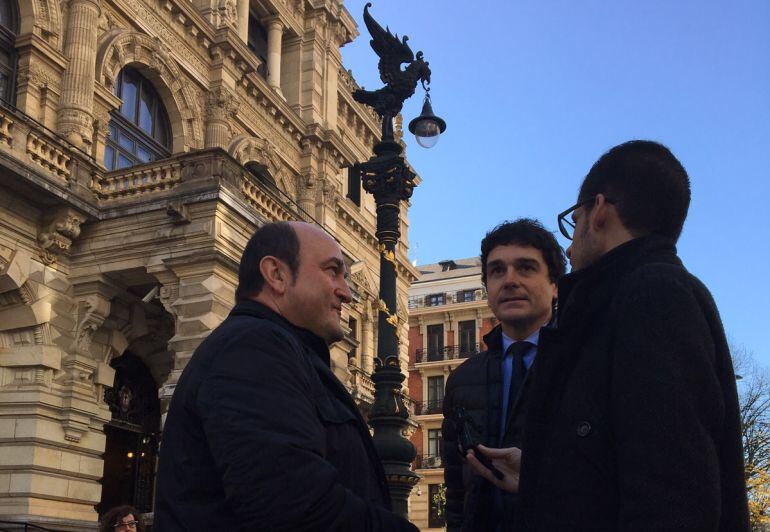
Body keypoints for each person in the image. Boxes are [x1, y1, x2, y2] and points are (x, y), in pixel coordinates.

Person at [469, 140, 749, 531]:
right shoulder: (627, 298)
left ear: (598, 211)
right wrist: (539, 477)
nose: (570, 244)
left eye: (574, 219)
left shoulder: (652, 295)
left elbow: (670, 495)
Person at [154, 221, 418, 531]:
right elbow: (294, 505)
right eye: (333, 271)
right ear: (276, 275)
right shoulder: (253, 348)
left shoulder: (279, 349)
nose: (346, 293)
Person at [441, 219, 566, 532]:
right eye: (497, 271)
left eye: (525, 268)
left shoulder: (583, 363)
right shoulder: (462, 380)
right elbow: (456, 489)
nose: (510, 280)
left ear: (554, 286)